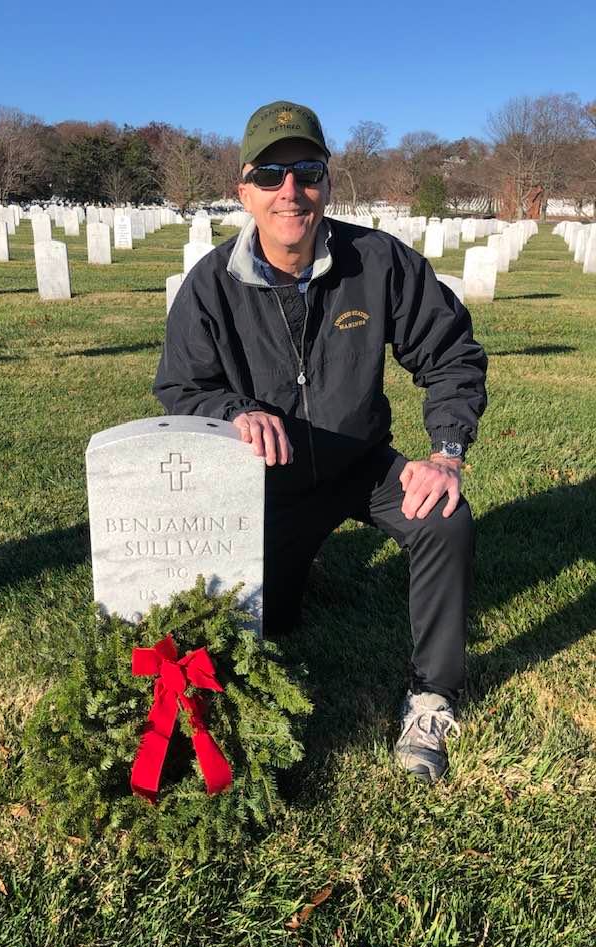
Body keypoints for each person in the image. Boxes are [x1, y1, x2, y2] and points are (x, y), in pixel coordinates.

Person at [154, 101, 487, 783]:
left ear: (327, 183)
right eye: (269, 175)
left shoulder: (378, 262)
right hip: (269, 484)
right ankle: (299, 566)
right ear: (244, 190)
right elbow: (181, 387)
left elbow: (451, 354)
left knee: (444, 518)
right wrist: (235, 410)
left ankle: (432, 694)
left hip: (360, 463)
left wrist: (445, 453)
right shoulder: (210, 286)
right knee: (273, 620)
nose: (290, 191)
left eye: (306, 172)